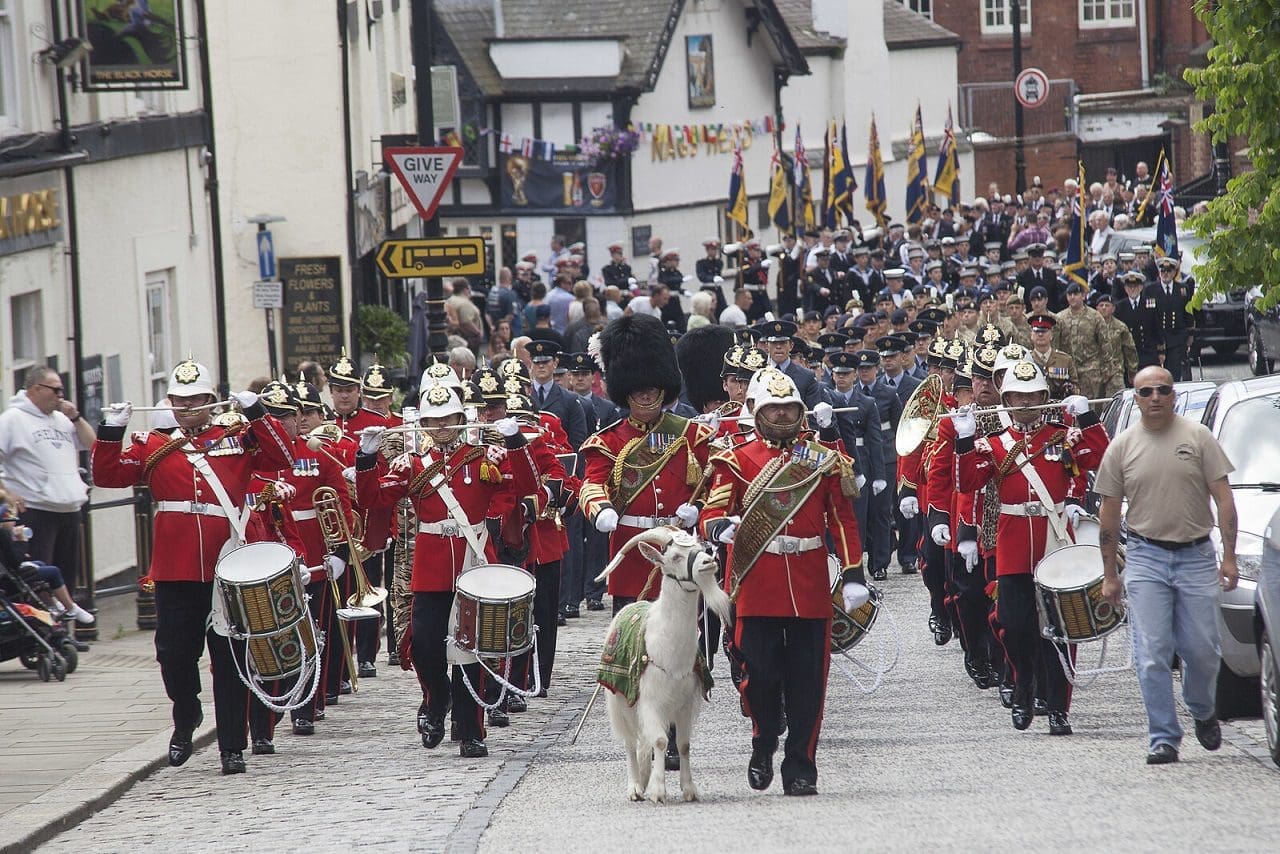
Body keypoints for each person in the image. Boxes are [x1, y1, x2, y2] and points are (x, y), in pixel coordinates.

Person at [91, 359, 293, 775]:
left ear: (210, 400)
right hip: (176, 564)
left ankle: (232, 746)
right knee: (173, 655)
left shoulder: (236, 438)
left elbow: (282, 457)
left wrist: (257, 413)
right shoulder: (153, 443)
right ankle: (187, 715)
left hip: (227, 564)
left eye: (195, 400)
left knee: (231, 657)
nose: (186, 407)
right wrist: (111, 432)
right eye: (179, 401)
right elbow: (108, 476)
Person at [356, 369, 537, 758]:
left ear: (460, 419)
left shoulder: (481, 457)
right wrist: (365, 459)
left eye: (446, 419)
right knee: (425, 645)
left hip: (473, 560)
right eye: (432, 421)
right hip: (432, 563)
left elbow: (524, 486)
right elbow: (374, 501)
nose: (439, 427)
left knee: (472, 650)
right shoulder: (411, 463)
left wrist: (516, 442)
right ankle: (437, 702)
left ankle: (472, 731)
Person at [701, 369, 864, 797]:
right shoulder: (735, 459)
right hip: (757, 581)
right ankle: (763, 738)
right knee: (762, 675)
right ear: (756, 410)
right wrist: (719, 527)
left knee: (809, 680)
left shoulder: (822, 459)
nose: (782, 415)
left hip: (808, 580)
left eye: (789, 408)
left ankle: (801, 765)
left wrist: (852, 572)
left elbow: (842, 519)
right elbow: (715, 506)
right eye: (773, 408)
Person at [955, 361, 1109, 736]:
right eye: (1018, 397)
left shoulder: (1062, 436)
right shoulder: (993, 443)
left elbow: (1101, 459)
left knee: (1060, 628)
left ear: (1043, 398)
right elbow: (969, 481)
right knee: (1014, 624)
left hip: (1054, 540)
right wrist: (962, 438)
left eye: (1032, 396)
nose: (1025, 403)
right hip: (1012, 544)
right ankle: (1023, 685)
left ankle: (1058, 707)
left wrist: (1087, 419)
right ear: (1006, 400)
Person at [1094, 366, 1237, 765]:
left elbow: (1224, 499)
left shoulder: (1198, 437)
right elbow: (1108, 515)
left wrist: (1228, 555)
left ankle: (1202, 709)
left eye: (1162, 390)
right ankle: (1163, 736)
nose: (1155, 397)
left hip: (1195, 555)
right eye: (1146, 392)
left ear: (1173, 395)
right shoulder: (1122, 447)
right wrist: (1109, 574)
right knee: (1153, 652)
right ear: (1135, 398)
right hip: (1146, 557)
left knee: (1203, 650)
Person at [579, 314, 713, 616]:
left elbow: (716, 483)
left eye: (652, 387)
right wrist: (602, 509)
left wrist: (700, 509)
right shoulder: (609, 440)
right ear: (624, 390)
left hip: (679, 547)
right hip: (631, 549)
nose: (646, 393)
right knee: (632, 645)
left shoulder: (692, 434)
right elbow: (592, 484)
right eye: (638, 388)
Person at [0, 365, 95, 597]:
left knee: (65, 580)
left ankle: (63, 629)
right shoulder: (12, 419)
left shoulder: (62, 420)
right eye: (56, 390)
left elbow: (92, 444)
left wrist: (75, 417)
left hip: (68, 508)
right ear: (35, 389)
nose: (60, 396)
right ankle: (42, 629)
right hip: (35, 509)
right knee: (39, 581)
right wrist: (6, 493)